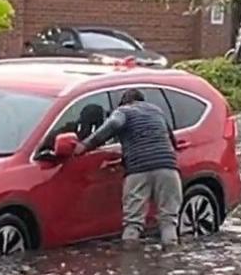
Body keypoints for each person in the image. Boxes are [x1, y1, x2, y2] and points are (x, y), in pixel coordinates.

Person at [77, 89, 182, 244]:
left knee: (133, 222)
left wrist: (85, 145)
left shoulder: (123, 111)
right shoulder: (157, 111)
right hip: (167, 168)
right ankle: (171, 261)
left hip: (138, 170)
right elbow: (172, 141)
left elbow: (114, 124)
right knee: (168, 221)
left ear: (125, 101)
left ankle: (130, 262)